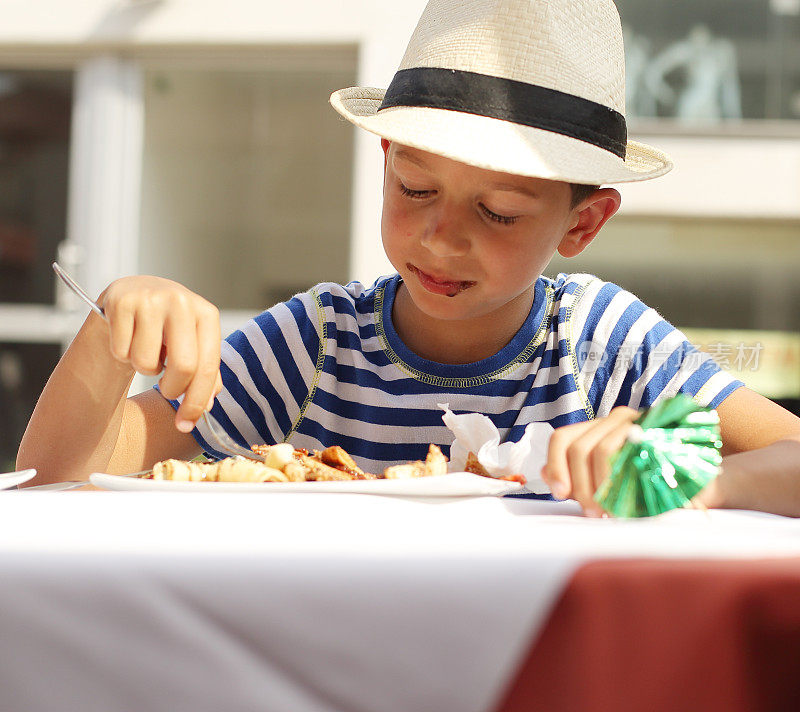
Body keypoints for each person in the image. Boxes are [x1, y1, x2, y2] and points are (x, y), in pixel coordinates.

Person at [17, 0, 800, 516]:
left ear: (583, 224)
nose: (440, 237)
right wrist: (109, 331)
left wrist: (694, 479)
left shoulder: (600, 340)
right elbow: (55, 479)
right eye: (416, 187)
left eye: (496, 212)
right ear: (385, 158)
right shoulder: (319, 343)